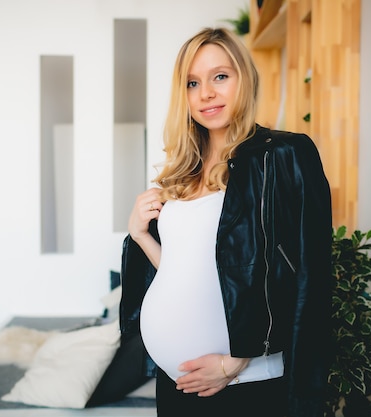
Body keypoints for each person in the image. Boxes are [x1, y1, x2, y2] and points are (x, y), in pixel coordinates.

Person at [119, 27, 333, 417]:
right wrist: (140, 235)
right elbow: (188, 272)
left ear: (244, 79)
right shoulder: (183, 173)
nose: (206, 93)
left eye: (220, 76)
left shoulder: (283, 155)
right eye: (192, 82)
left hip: (246, 382)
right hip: (178, 383)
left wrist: (237, 361)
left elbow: (310, 275)